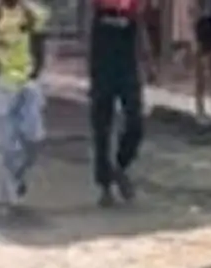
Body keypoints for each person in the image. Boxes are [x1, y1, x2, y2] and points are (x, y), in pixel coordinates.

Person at [0, 0, 48, 207]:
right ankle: (8, 192)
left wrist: (36, 71)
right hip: (3, 83)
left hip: (27, 82)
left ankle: (17, 175)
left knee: (34, 139)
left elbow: (40, 42)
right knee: (4, 144)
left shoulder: (33, 13)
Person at [86, 0, 151, 205]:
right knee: (102, 128)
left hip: (127, 67)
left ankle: (120, 166)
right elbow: (91, 26)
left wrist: (147, 60)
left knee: (136, 123)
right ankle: (105, 186)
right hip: (103, 64)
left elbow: (139, 24)